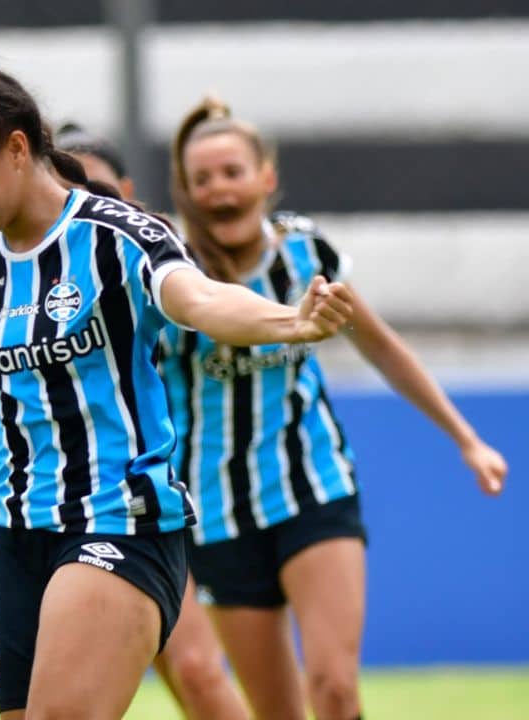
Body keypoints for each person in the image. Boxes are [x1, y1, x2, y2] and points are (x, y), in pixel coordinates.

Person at [0, 52, 352, 719]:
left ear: (16, 149)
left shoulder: (116, 237)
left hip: (119, 521)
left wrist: (292, 321)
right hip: (21, 535)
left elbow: (200, 301)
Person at [161, 97, 508, 720]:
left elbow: (379, 344)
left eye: (232, 172)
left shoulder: (306, 255)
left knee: (335, 690)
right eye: (202, 179)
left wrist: (465, 437)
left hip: (313, 486)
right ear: (185, 194)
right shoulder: (173, 278)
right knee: (279, 712)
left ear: (266, 177)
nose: (219, 190)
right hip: (216, 513)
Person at [0, 121, 249, 720]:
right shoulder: (27, 285)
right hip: (79, 508)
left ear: (125, 188)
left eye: (99, 187)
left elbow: (216, 331)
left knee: (200, 672)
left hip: (167, 499)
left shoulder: (151, 261)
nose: (85, 203)